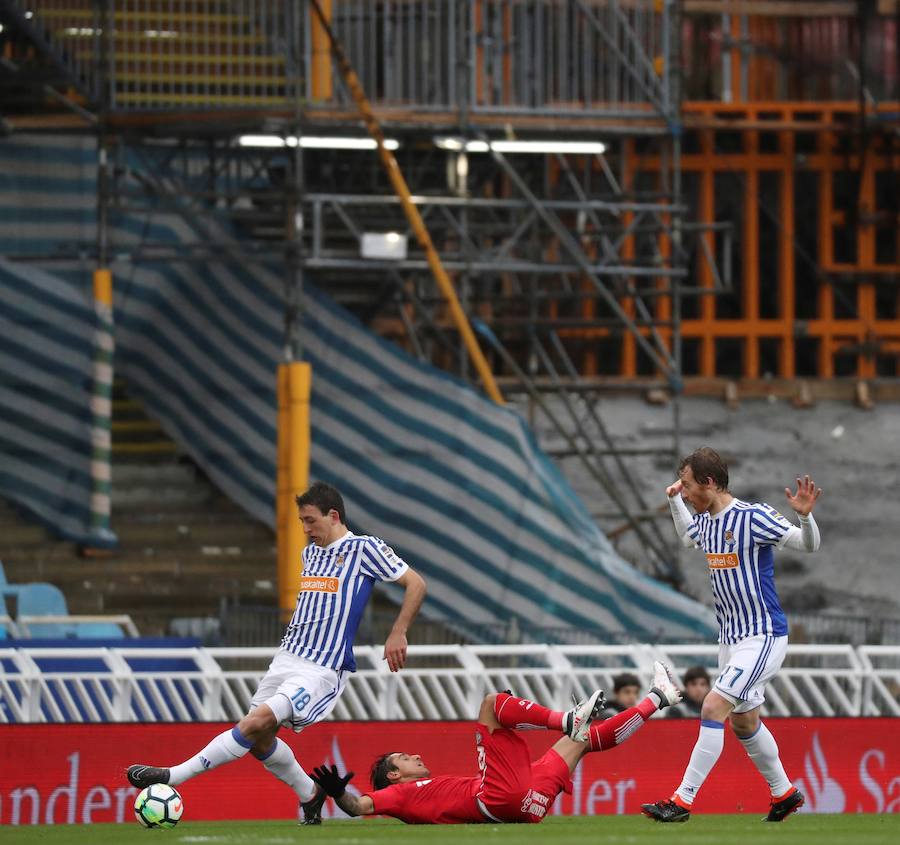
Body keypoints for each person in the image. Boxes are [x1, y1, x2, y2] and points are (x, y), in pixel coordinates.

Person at [126, 481, 427, 824]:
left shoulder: (364, 548)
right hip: (287, 657)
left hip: (321, 667)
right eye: (302, 521)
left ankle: (174, 776)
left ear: (333, 516)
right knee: (258, 739)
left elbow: (416, 583)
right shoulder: (310, 553)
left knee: (255, 722)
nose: (306, 529)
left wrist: (398, 632)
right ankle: (310, 794)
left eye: (310, 520)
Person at [641, 447, 822, 824]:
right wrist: (675, 501)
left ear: (709, 482)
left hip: (762, 636)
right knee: (743, 722)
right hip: (730, 640)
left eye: (688, 485)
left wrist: (805, 518)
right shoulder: (706, 522)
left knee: (712, 707)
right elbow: (688, 537)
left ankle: (681, 801)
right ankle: (784, 793)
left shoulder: (752, 517)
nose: (685, 491)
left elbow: (808, 545)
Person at [308, 662, 683, 825]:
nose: (415, 755)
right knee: (491, 704)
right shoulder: (398, 795)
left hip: (527, 806)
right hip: (498, 799)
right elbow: (357, 807)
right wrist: (337, 793)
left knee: (580, 741)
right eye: (404, 758)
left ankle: (658, 698)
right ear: (394, 775)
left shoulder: (424, 790)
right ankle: (566, 718)